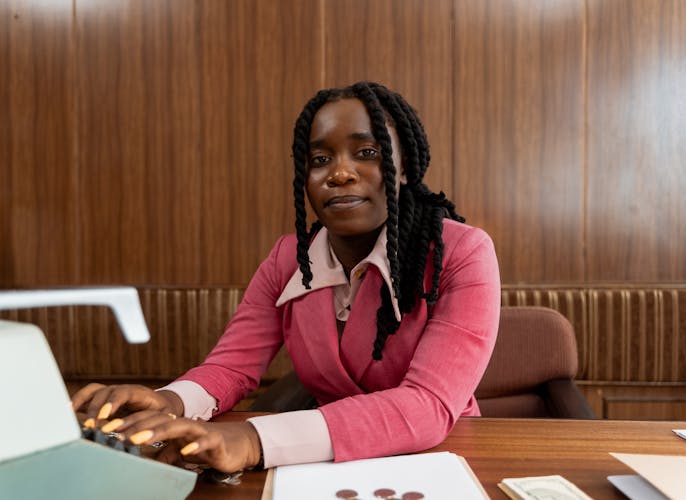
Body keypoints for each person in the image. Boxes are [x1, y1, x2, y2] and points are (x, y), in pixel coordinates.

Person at [72, 81, 501, 473]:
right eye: (320, 159)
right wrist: (169, 401)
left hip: (436, 461)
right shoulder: (288, 260)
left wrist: (254, 440)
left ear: (403, 168)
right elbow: (231, 367)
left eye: (367, 153)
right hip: (322, 461)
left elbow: (426, 405)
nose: (340, 173)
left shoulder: (463, 253)